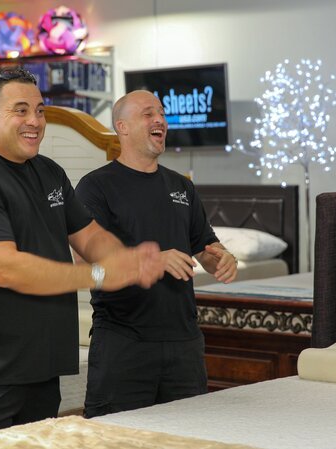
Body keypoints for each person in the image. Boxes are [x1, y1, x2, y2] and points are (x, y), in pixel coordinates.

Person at [0, 69, 163, 440]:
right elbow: (5, 268)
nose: (34, 121)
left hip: (39, 366)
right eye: (20, 111)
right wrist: (100, 276)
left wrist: (126, 260)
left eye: (40, 110)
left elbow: (90, 235)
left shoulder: (49, 173)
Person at [75, 90, 239, 418]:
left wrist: (222, 257)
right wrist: (152, 259)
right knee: (116, 440)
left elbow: (205, 247)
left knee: (190, 437)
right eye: (148, 114)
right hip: (124, 342)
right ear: (122, 127)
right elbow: (85, 263)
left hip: (184, 343)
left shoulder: (182, 187)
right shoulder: (95, 187)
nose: (160, 120)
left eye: (162, 114)